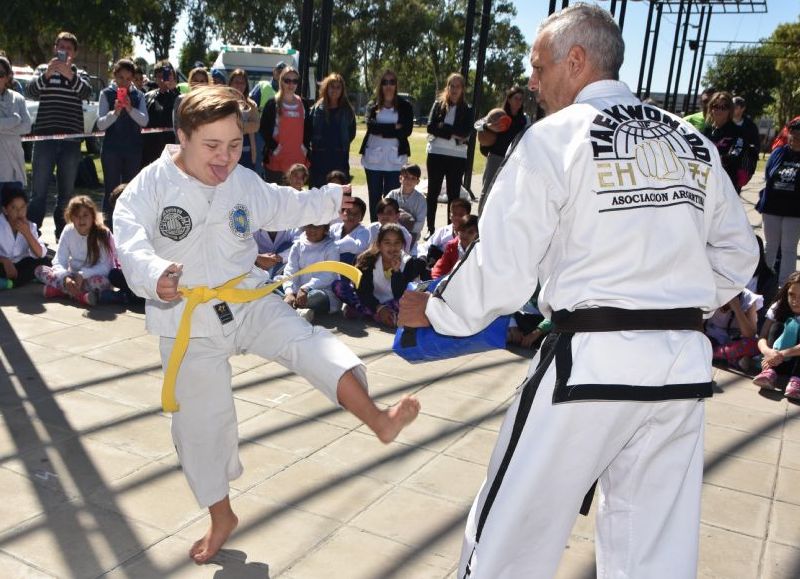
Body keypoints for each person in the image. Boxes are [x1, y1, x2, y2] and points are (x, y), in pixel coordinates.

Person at [398, 5, 758, 578]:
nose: (533, 84)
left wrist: (435, 310)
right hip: (680, 369)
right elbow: (740, 255)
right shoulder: (691, 141)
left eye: (539, 68)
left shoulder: (555, 138)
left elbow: (503, 264)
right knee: (654, 545)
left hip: (589, 368)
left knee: (511, 532)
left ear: (576, 60)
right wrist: (670, 302)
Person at [112, 86, 419, 564]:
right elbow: (129, 243)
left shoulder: (243, 182)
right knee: (200, 425)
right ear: (182, 137)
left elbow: (284, 203)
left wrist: (327, 201)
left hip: (247, 297)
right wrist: (155, 276)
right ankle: (221, 516)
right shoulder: (148, 189)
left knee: (307, 341)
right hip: (186, 317)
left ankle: (378, 419)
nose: (225, 157)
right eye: (212, 146)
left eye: (234, 145)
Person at [26, 31, 93, 241]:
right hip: (44, 139)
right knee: (38, 193)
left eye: (68, 48)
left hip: (71, 142)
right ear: (55, 48)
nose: (64, 51)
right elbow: (30, 92)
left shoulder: (79, 73)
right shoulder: (44, 70)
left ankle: (62, 236)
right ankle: (32, 237)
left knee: (65, 194)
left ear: (74, 53)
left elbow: (87, 93)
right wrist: (48, 74)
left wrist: (69, 75)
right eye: (61, 47)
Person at [333, 223, 425, 327]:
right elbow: (363, 290)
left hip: (393, 302)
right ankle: (375, 313)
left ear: (402, 245)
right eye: (387, 243)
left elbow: (400, 293)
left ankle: (363, 311)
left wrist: (396, 271)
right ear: (379, 245)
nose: (392, 247)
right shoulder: (368, 260)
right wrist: (379, 308)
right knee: (339, 285)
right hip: (371, 300)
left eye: (397, 243)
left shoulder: (407, 262)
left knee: (410, 302)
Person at [35, 195, 115, 306]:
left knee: (101, 283)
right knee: (40, 270)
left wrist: (83, 275)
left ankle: (61, 292)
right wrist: (65, 278)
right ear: (71, 218)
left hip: (92, 277)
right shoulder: (68, 231)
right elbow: (59, 260)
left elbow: (106, 266)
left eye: (85, 215)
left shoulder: (103, 234)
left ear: (92, 216)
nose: (81, 219)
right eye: (77, 216)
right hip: (72, 276)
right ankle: (81, 296)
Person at [97, 59, 149, 227]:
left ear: (133, 78)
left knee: (130, 190)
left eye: (128, 79)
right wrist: (115, 112)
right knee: (110, 190)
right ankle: (107, 230)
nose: (124, 82)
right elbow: (101, 123)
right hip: (111, 150)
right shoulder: (106, 93)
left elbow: (144, 121)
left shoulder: (139, 95)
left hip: (133, 150)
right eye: (120, 77)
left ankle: (127, 227)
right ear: (115, 76)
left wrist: (129, 108)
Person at [359, 70, 414, 221]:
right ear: (380, 85)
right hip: (373, 160)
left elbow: (406, 130)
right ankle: (375, 232)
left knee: (392, 200)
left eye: (392, 82)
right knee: (375, 199)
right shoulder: (373, 104)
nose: (388, 86)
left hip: (395, 161)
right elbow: (371, 127)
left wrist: (383, 129)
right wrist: (394, 128)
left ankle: (390, 233)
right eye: (385, 82)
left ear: (396, 85)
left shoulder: (405, 106)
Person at [425, 72, 474, 236]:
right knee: (432, 192)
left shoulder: (467, 110)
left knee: (453, 196)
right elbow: (431, 127)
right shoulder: (438, 105)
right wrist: (453, 134)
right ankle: (430, 229)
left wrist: (444, 129)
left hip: (457, 157)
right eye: (451, 86)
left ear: (462, 89)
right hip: (436, 154)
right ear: (447, 87)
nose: (454, 89)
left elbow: (466, 131)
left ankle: (450, 231)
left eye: (457, 86)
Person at [756, 119, 800, 286]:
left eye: (798, 136)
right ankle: (763, 282)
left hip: (794, 211)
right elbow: (768, 175)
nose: (795, 138)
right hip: (772, 207)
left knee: (789, 249)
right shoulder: (778, 152)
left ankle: (784, 286)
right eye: (793, 134)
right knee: (770, 247)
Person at [753, 271, 800, 399]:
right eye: (792, 295)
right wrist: (767, 351)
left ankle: (797, 381)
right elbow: (762, 335)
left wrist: (782, 354)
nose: (796, 301)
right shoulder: (779, 306)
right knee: (777, 325)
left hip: (794, 359)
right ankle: (770, 372)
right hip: (775, 359)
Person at [479, 86, 529, 205]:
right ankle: (480, 221)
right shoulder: (498, 115)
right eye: (516, 98)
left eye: (521, 99)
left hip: (513, 160)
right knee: (487, 191)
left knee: (506, 193)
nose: (518, 102)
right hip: (495, 157)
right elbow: (478, 124)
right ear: (509, 99)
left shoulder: (524, 120)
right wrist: (487, 126)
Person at [281, 223, 341, 322]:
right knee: (269, 284)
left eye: (317, 227)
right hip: (296, 291)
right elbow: (291, 270)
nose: (312, 230)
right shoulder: (298, 245)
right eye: (309, 226)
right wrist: (289, 292)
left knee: (317, 296)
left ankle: (290, 308)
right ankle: (297, 309)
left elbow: (328, 275)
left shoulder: (331, 247)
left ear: (325, 228)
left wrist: (306, 288)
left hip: (320, 291)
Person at [260, 67, 309, 184]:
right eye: (287, 80)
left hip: (298, 161)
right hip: (276, 161)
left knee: (295, 198)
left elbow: (308, 130)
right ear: (281, 81)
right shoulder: (272, 104)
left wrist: (305, 148)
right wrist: (275, 149)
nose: (291, 84)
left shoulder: (304, 104)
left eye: (295, 81)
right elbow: (264, 130)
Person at [308, 73, 357, 188]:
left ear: (342, 90)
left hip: (339, 158)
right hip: (319, 159)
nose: (334, 90)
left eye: (338, 87)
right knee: (317, 195)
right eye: (332, 86)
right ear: (326, 88)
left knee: (340, 197)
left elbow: (351, 134)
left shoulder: (347, 111)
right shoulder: (316, 109)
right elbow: (309, 131)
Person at [0, 186, 50, 287]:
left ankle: (10, 283)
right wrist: (4, 260)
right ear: (5, 210)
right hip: (2, 264)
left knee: (47, 261)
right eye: (14, 208)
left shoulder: (30, 226)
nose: (19, 212)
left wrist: (27, 233)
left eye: (23, 207)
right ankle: (21, 280)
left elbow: (39, 253)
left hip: (20, 265)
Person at [704, 91, 752, 194]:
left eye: (724, 107)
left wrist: (715, 161)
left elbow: (736, 154)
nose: (718, 110)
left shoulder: (738, 132)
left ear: (730, 110)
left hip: (728, 184)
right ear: (710, 108)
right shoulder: (706, 131)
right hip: (705, 182)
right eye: (715, 106)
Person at [704, 289, 762, 371]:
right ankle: (733, 359)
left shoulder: (748, 298)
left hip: (734, 342)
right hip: (710, 338)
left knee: (754, 344)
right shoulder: (711, 292)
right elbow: (697, 326)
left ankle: (711, 355)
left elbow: (750, 335)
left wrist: (737, 309)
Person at [0, 56, 32, 192]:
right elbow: (19, 124)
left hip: (14, 167)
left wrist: (4, 127)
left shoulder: (18, 99)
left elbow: (27, 126)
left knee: (15, 211)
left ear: (8, 77)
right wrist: (14, 121)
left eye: (0, 74)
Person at [141, 60, 179, 168]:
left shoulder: (178, 96)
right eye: (159, 76)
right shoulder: (147, 96)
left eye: (166, 75)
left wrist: (173, 90)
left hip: (171, 148)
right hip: (150, 148)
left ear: (173, 76)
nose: (162, 79)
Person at [421, 197, 471, 267]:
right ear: (450, 215)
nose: (457, 217)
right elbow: (426, 247)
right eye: (454, 214)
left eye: (461, 215)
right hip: (439, 269)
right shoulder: (443, 232)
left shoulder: (471, 235)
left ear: (468, 216)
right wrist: (423, 258)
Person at [228, 69, 261, 172]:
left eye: (242, 83)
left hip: (247, 153)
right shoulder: (224, 102)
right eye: (236, 82)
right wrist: (246, 126)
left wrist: (236, 126)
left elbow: (255, 126)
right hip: (227, 151)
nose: (239, 85)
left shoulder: (251, 104)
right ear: (230, 83)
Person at [386, 163, 426, 245]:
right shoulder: (392, 194)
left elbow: (420, 225)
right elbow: (383, 212)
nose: (409, 180)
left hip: (411, 236)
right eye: (406, 177)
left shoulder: (421, 199)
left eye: (413, 178)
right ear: (400, 178)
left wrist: (402, 226)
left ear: (418, 181)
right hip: (390, 233)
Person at [431, 214, 478, 279]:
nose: (465, 234)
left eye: (470, 232)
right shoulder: (452, 246)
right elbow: (441, 266)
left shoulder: (479, 249)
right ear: (457, 231)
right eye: (463, 230)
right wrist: (437, 280)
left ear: (477, 235)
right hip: (454, 281)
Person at [330, 196, 370, 264]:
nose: (351, 216)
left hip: (351, 269)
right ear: (342, 213)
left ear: (362, 217)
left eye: (356, 214)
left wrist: (330, 248)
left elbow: (357, 247)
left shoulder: (364, 232)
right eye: (348, 212)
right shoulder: (334, 228)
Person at [732, 96, 761, 175]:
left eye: (735, 107)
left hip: (741, 165)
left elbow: (756, 145)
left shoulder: (750, 126)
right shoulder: (724, 122)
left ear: (743, 108)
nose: (732, 109)